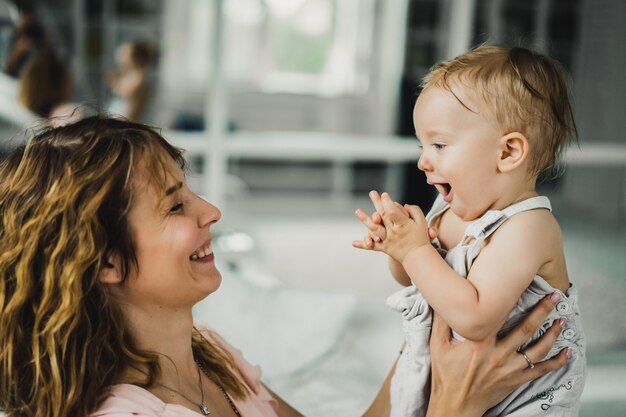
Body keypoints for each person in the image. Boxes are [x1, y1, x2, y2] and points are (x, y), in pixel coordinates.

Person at [0, 115, 568, 417]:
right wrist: (452, 410)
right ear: (106, 261)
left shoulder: (214, 359)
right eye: (175, 205)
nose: (211, 212)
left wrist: (430, 335)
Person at [354, 44, 586, 416]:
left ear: (508, 152)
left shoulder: (529, 227)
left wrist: (416, 251)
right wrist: (398, 247)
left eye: (439, 145)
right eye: (422, 145)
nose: (422, 160)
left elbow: (475, 319)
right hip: (448, 379)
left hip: (523, 400)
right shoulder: (446, 208)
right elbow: (412, 280)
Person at [106, 40, 157, 123]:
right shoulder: (128, 75)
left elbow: (127, 94)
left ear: (136, 58)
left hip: (127, 121)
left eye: (124, 54)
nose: (120, 57)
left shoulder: (139, 76)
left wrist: (116, 82)